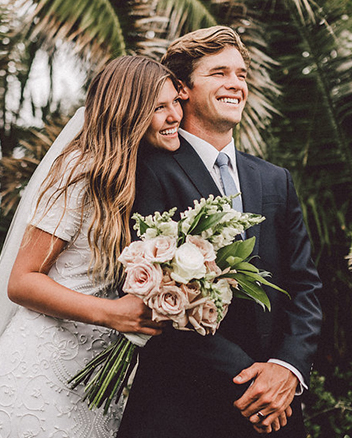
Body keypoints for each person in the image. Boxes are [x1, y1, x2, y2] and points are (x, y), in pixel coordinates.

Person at [0, 55, 184, 438]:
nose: (175, 115)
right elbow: (22, 282)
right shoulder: (79, 173)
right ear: (127, 113)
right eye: (159, 107)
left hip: (95, 380)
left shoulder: (140, 178)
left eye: (176, 103)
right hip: (40, 373)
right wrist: (112, 314)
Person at [117, 26, 322, 437]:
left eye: (242, 75)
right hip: (184, 408)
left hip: (276, 409)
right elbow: (152, 296)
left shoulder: (274, 179)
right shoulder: (148, 170)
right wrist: (252, 380)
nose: (235, 84)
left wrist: (286, 369)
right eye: (219, 73)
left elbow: (305, 286)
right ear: (182, 88)